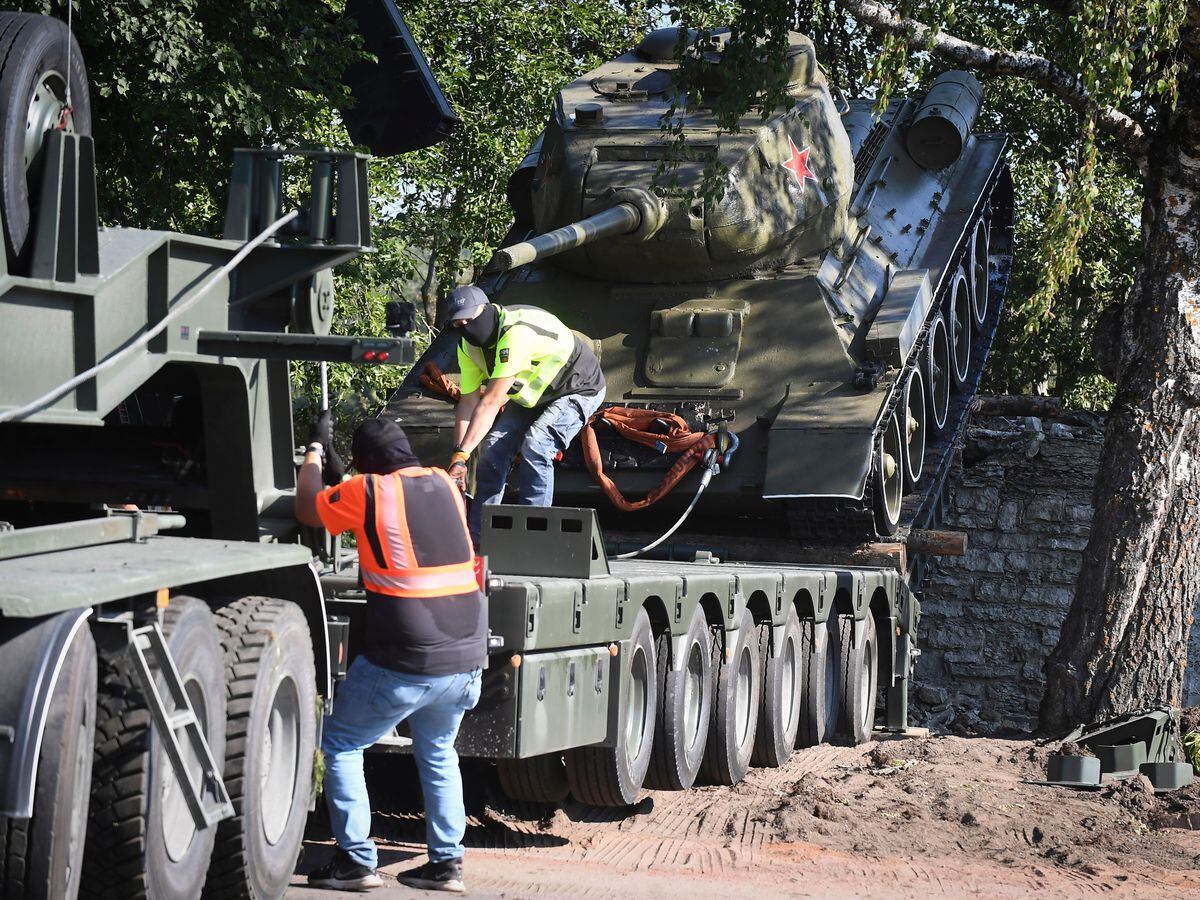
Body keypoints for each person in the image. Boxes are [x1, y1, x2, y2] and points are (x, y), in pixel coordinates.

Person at [296, 411, 485, 894]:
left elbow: (309, 508)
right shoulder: (445, 485)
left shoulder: (368, 493)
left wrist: (315, 451)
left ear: (368, 466)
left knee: (340, 743)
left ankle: (355, 862)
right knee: (439, 752)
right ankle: (446, 865)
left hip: (407, 658)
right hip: (465, 657)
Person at [442, 285, 606, 545]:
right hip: (533, 394)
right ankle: (478, 541)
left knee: (537, 445)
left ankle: (534, 538)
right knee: (493, 448)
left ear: (485, 309)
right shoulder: (468, 346)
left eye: (468, 319)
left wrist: (463, 454)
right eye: (457, 323)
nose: (464, 326)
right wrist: (458, 457)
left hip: (576, 386)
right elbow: (469, 402)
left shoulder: (516, 334)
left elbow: (492, 402)